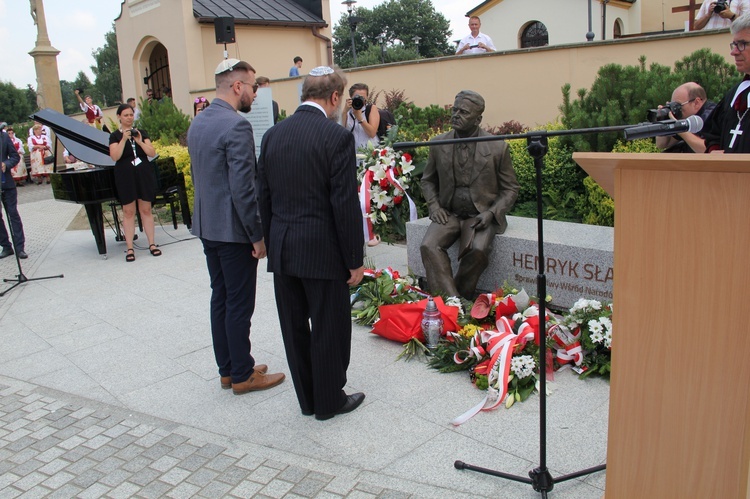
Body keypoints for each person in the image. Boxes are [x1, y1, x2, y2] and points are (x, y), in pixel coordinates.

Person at [258, 66, 366, 421]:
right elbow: (344, 204)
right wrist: (354, 258)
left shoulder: (273, 135)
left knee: (294, 328)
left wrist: (273, 243)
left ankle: (308, 400)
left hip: (285, 248)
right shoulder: (335, 137)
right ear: (335, 98)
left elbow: (264, 197)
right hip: (323, 251)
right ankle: (329, 400)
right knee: (328, 325)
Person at [187, 58, 285, 395]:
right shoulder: (237, 127)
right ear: (237, 86)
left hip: (208, 227)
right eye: (253, 87)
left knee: (221, 298)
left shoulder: (198, 123)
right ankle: (243, 375)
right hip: (233, 232)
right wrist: (257, 235)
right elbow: (243, 189)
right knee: (239, 303)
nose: (256, 94)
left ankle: (229, 369)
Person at [420, 90, 519, 300]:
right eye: (454, 110)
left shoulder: (497, 147)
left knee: (479, 250)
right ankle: (453, 303)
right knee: (428, 245)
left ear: (478, 119)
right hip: (449, 212)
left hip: (481, 214)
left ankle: (455, 298)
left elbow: (510, 188)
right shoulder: (438, 143)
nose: (456, 115)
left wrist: (492, 213)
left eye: (463, 112)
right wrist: (434, 206)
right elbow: (427, 180)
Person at [108, 104, 162, 262]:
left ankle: (152, 244)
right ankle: (130, 247)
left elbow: (151, 153)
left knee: (146, 209)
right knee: (128, 211)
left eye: (131, 115)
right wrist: (124, 139)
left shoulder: (141, 133)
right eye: (125, 115)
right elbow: (115, 157)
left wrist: (139, 141)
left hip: (143, 174)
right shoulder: (114, 136)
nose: (129, 118)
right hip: (125, 176)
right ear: (119, 117)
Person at [704, 13, 750, 152]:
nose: (734, 52)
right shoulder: (735, 94)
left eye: (742, 44)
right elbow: (713, 133)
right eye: (734, 45)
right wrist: (716, 151)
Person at [655, 82, 717, 153]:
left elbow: (708, 149)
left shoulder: (713, 116)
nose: (676, 109)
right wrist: (663, 119)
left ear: (696, 103)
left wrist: (680, 129)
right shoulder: (688, 117)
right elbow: (662, 144)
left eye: (678, 105)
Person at [0, 127, 26, 259]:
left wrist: (6, 164)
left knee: (13, 214)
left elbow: (15, 157)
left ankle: (20, 247)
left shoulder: (4, 136)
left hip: (6, 183)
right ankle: (6, 246)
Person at [341, 83, 381, 153]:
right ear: (351, 97)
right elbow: (340, 131)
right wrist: (344, 111)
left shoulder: (371, 109)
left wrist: (360, 118)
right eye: (357, 97)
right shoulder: (348, 112)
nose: (359, 100)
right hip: (352, 153)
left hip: (370, 153)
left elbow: (372, 133)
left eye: (362, 98)